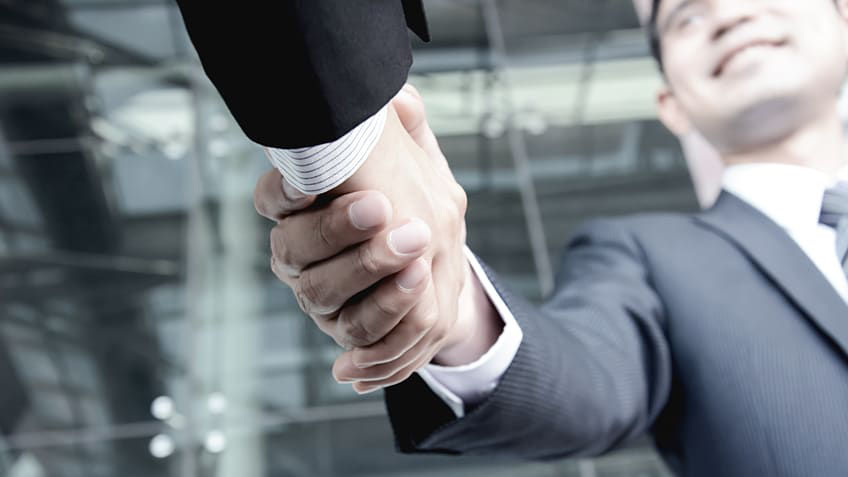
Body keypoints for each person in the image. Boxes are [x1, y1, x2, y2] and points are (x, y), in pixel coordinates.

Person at [183, 0, 848, 475]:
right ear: (669, 104)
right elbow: (578, 377)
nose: (727, 13)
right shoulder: (652, 261)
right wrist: (437, 296)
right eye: (687, 18)